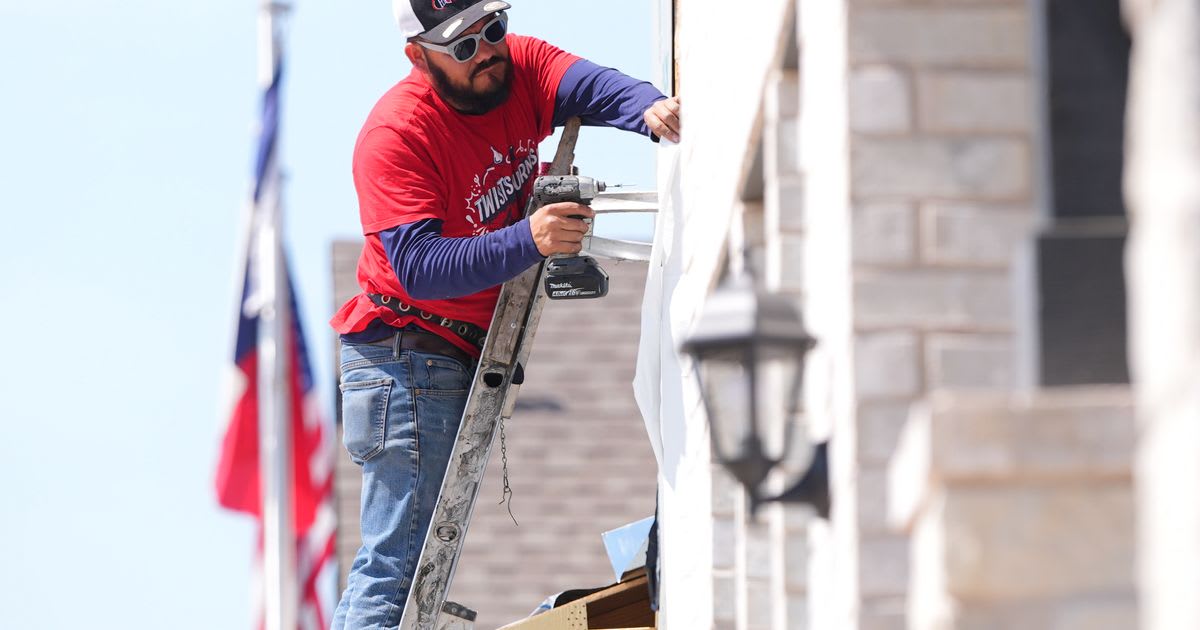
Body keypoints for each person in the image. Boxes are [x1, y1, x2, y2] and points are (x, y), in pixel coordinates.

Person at [328, 0, 680, 626]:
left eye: (494, 29)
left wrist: (652, 110)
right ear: (419, 56)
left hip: (448, 353)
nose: (487, 51)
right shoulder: (397, 134)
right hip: (405, 356)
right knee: (394, 572)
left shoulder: (519, 68)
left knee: (412, 572)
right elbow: (421, 269)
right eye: (462, 47)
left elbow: (595, 87)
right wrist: (531, 239)